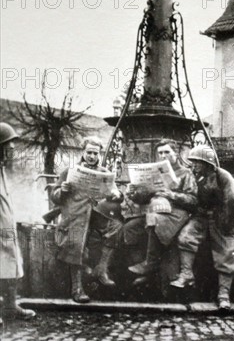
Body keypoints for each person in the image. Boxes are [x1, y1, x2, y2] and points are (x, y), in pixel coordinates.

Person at [51, 136, 123, 302]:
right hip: (75, 215)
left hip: (97, 214)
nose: (92, 156)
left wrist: (117, 195)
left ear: (99, 154)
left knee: (116, 226)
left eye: (95, 153)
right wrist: (62, 190)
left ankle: (102, 269)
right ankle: (77, 288)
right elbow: (55, 197)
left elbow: (117, 195)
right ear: (83, 152)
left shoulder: (104, 173)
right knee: (76, 243)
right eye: (89, 152)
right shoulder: (69, 172)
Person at [170, 145, 234, 311]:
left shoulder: (223, 176)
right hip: (201, 217)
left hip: (221, 218)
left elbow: (233, 199)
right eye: (193, 162)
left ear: (207, 163)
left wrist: (227, 222)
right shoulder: (195, 176)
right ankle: (186, 274)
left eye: (198, 162)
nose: (194, 166)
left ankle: (224, 294)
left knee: (226, 253)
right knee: (185, 237)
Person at [127, 138, 198, 284]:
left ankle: (150, 264)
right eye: (160, 153)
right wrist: (134, 193)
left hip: (177, 212)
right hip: (156, 210)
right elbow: (143, 198)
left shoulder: (186, 173)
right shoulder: (155, 171)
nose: (163, 156)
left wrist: (172, 195)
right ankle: (141, 265)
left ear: (176, 153)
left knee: (153, 220)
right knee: (130, 228)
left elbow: (193, 200)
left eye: (167, 152)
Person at [0, 122, 35, 322]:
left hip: (6, 228)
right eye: (7, 143)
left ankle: (10, 306)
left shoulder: (3, 169)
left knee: (10, 265)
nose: (12, 147)